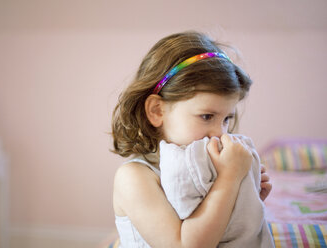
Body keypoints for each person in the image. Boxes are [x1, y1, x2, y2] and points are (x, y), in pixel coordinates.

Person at [111, 31, 273, 248]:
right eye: (207, 116)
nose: (220, 133)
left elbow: (214, 230)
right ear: (157, 110)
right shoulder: (134, 177)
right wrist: (230, 179)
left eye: (226, 119)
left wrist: (246, 198)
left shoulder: (205, 166)